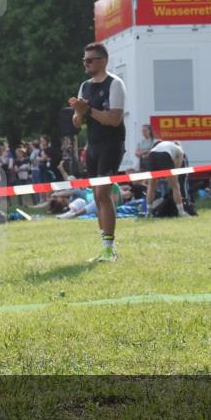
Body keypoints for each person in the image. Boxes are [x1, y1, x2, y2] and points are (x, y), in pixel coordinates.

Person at [68, 42, 127, 261]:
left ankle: (109, 248)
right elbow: (76, 123)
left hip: (111, 144)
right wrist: (79, 112)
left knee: (103, 194)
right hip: (92, 145)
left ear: (102, 61)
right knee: (95, 195)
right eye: (84, 60)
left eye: (90, 60)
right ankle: (105, 245)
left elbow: (114, 119)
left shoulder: (115, 84)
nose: (85, 63)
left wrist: (88, 110)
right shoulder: (84, 86)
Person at [144, 139, 189, 217]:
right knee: (175, 186)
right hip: (164, 155)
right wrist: (173, 179)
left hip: (152, 154)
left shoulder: (165, 145)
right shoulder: (180, 150)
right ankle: (181, 212)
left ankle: (148, 212)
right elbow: (177, 169)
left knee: (151, 186)